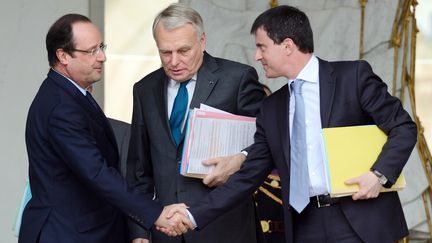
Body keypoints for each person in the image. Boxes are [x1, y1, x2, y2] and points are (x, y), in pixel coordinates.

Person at [182, 5, 417, 243]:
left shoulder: (353, 77)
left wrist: (379, 175)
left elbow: (403, 127)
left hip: (361, 219)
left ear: (287, 45)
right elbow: (248, 175)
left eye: (262, 47)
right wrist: (192, 216)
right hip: (305, 225)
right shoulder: (271, 107)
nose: (257, 56)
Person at [19, 13, 191, 243]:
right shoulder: (60, 106)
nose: (102, 57)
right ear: (63, 55)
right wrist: (155, 213)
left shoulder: (71, 93)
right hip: (66, 233)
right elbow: (97, 172)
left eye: (101, 47)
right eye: (91, 51)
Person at [126, 3, 266, 243]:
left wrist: (240, 158)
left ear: (202, 41)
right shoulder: (144, 89)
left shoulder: (237, 79)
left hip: (224, 229)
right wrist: (139, 231)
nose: (173, 61)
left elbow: (267, 141)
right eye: (165, 52)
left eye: (183, 50)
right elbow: (139, 169)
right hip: (166, 232)